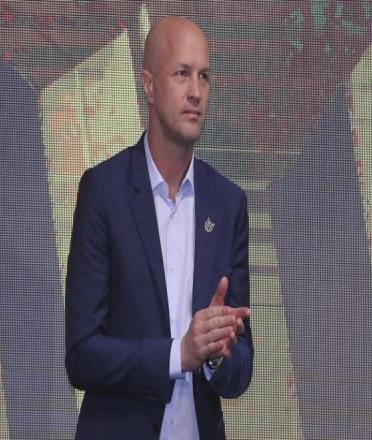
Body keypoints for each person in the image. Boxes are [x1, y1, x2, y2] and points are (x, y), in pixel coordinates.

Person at [65, 16, 253, 440]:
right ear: (148, 86)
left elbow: (242, 366)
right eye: (182, 73)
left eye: (204, 76)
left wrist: (216, 355)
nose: (196, 92)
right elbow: (81, 354)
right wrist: (178, 354)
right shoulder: (103, 192)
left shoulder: (228, 204)